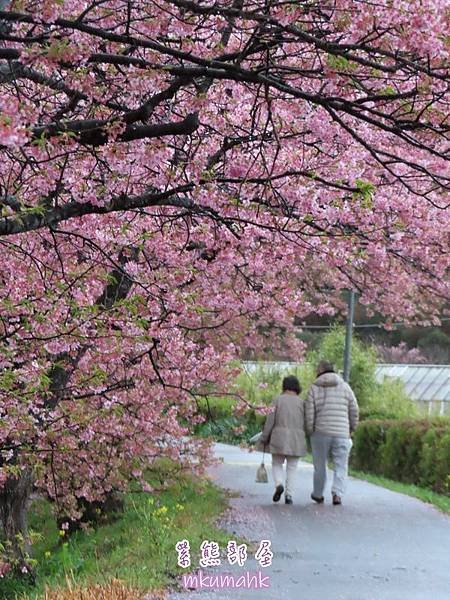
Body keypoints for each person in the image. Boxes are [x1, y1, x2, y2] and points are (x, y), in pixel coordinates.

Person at [305, 360, 359, 505]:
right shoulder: (345, 387)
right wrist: (351, 428)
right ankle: (337, 494)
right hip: (342, 433)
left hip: (320, 433)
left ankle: (318, 494)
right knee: (341, 465)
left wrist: (310, 430)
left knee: (320, 465)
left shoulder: (313, 388)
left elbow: (309, 413)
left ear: (319, 371)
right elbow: (354, 410)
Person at [259, 375, 306, 505]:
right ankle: (289, 495)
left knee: (277, 463)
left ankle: (279, 484)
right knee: (292, 467)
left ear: (284, 386)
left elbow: (270, 421)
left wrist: (264, 437)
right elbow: (307, 422)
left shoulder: (277, 400)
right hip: (296, 439)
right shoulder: (302, 403)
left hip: (278, 437)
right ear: (297, 387)